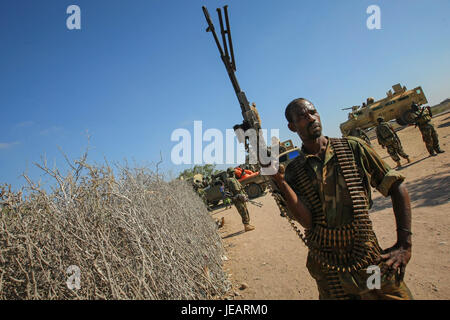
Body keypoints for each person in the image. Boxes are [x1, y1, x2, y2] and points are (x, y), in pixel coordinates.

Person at [270, 98, 413, 300]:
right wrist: (281, 182)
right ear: (292, 127)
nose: (311, 118)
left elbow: (396, 186)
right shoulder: (294, 172)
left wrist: (404, 244)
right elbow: (307, 222)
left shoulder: (353, 148)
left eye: (313, 112)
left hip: (367, 257)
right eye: (303, 116)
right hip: (328, 267)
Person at [225, 167, 255, 232]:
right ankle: (246, 226)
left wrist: (245, 195)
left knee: (245, 210)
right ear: (231, 173)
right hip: (236, 199)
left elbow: (241, 188)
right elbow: (226, 191)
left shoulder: (235, 179)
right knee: (242, 211)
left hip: (241, 197)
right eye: (233, 172)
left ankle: (248, 224)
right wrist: (233, 197)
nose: (234, 173)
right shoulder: (228, 180)